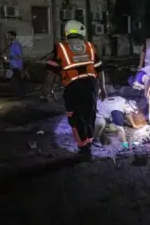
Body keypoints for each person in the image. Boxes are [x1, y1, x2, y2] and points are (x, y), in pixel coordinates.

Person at [44, 20, 107, 159]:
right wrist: (102, 88)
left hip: (73, 87)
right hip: (91, 85)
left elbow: (51, 72)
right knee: (89, 115)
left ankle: (83, 149)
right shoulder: (90, 46)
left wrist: (48, 91)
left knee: (75, 118)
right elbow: (100, 69)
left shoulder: (60, 47)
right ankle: (88, 145)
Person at [6, 30, 26, 98]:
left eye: (9, 35)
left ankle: (20, 94)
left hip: (17, 66)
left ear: (13, 36)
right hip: (14, 65)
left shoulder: (16, 45)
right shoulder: (12, 45)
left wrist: (12, 57)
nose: (7, 37)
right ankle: (20, 94)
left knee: (17, 81)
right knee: (17, 80)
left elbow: (20, 56)